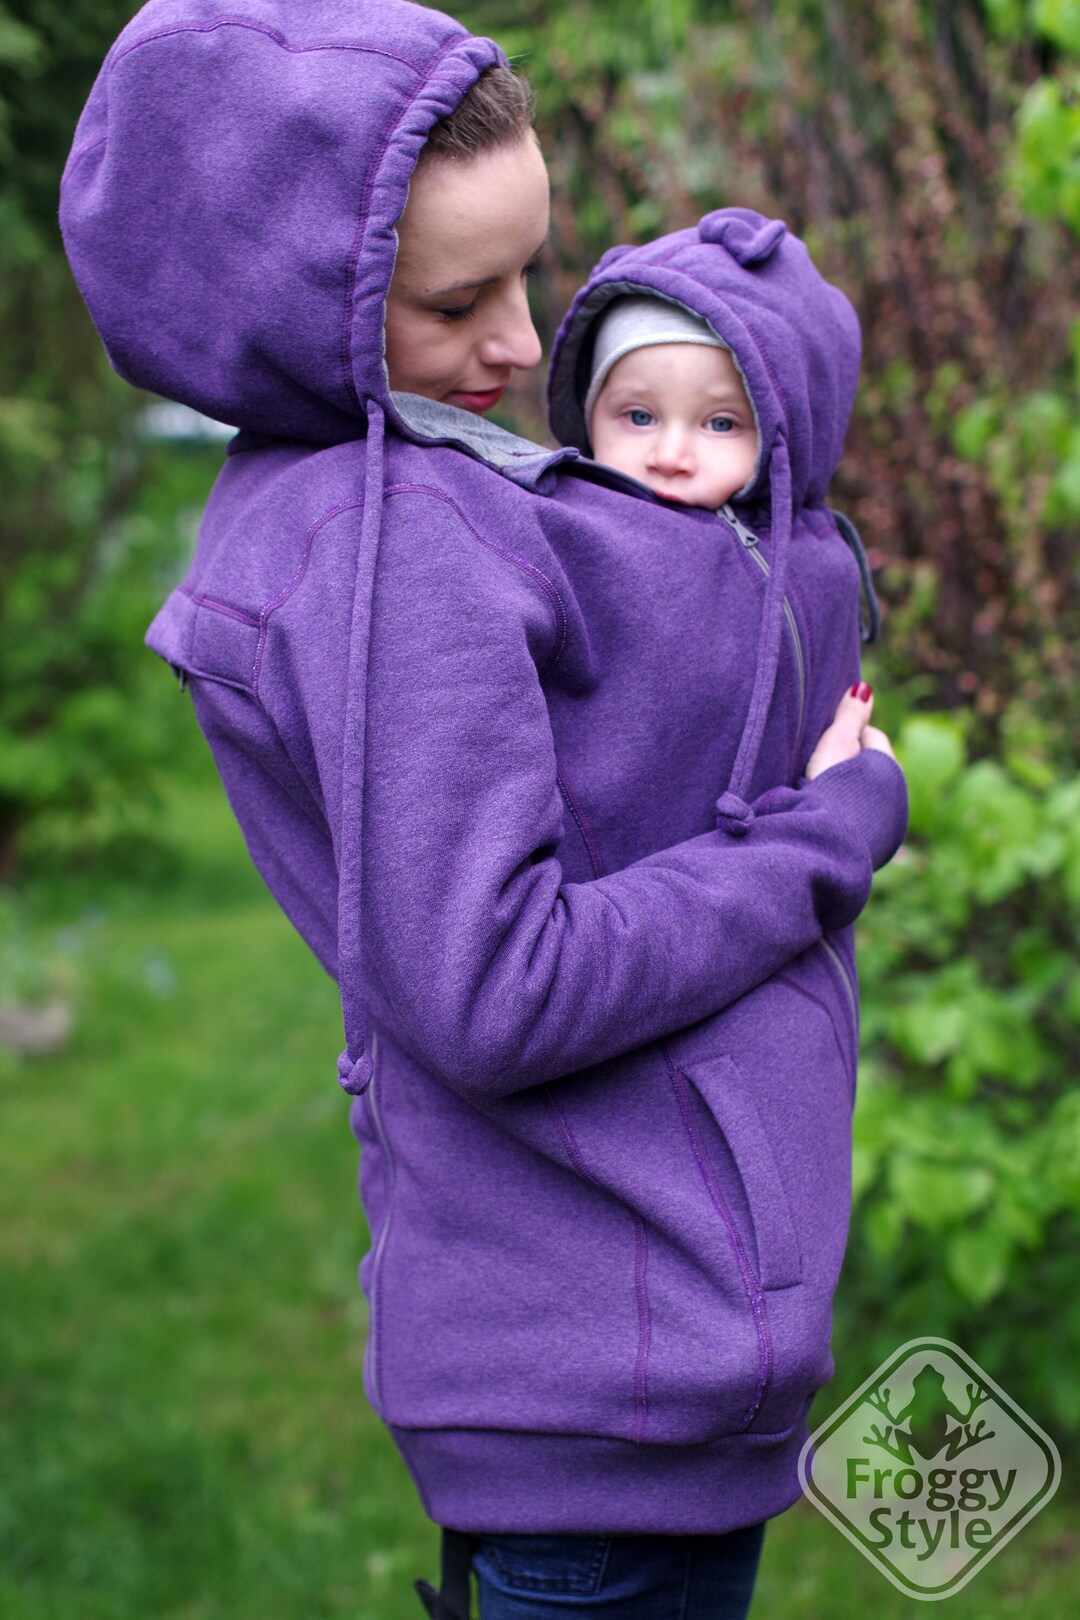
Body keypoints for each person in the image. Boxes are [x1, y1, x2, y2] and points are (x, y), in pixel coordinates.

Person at [59, 4, 908, 1617]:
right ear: (291, 303)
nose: (521, 346)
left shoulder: (410, 499)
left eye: (526, 275)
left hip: (600, 1342)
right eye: (456, 302)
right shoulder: (387, 557)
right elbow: (502, 985)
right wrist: (830, 832)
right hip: (601, 1370)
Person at [547, 223, 892, 777]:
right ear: (590, 415)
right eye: (639, 416)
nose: (670, 455)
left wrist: (854, 794)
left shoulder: (825, 566)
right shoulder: (571, 549)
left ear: (788, 431)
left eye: (721, 423)